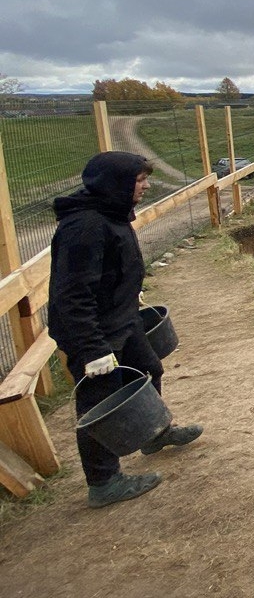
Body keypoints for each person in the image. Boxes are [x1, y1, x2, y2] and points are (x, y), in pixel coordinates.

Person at [48, 152, 203, 508]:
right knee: (99, 404)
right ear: (116, 184)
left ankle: (153, 434)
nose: (146, 186)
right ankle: (103, 482)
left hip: (122, 319)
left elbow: (110, 269)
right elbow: (71, 295)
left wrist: (129, 292)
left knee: (149, 369)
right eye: (140, 180)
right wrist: (92, 350)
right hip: (95, 333)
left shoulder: (111, 212)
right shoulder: (84, 228)